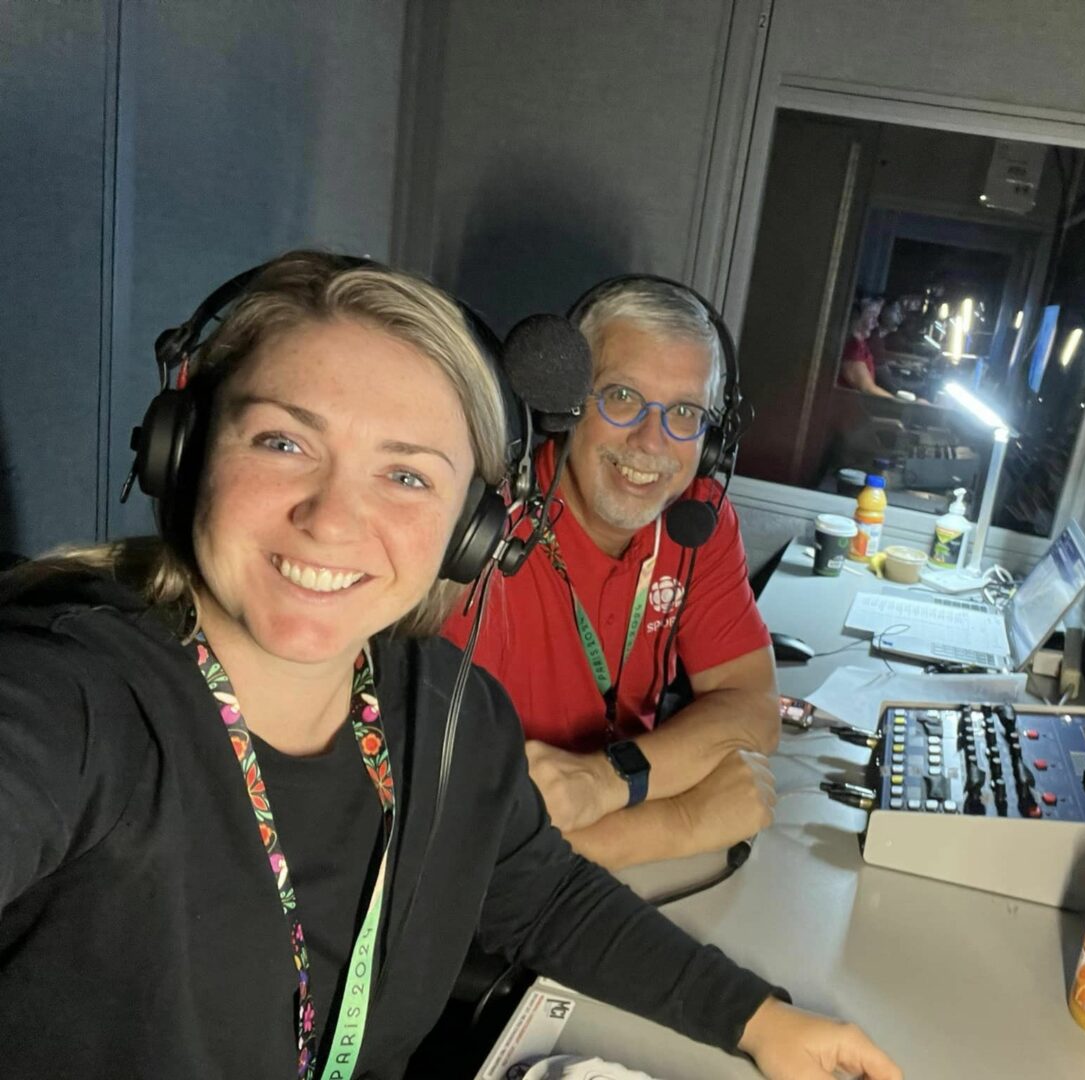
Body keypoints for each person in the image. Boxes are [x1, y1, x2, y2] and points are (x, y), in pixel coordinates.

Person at [0, 252, 901, 1080]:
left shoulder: (443, 713)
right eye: (283, 442)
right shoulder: (77, 706)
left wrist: (759, 1020)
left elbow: (541, 894)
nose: (332, 519)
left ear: (472, 532)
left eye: (407, 475)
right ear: (185, 450)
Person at [444, 277, 782, 870]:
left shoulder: (696, 519)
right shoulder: (478, 534)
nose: (651, 442)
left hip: (608, 846)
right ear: (566, 402)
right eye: (622, 396)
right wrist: (681, 820)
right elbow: (456, 840)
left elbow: (752, 707)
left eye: (685, 412)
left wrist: (606, 782)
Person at [838, 296, 896, 398]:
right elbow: (867, 388)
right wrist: (905, 404)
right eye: (872, 317)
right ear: (857, 318)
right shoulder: (852, 347)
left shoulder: (861, 344)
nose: (876, 323)